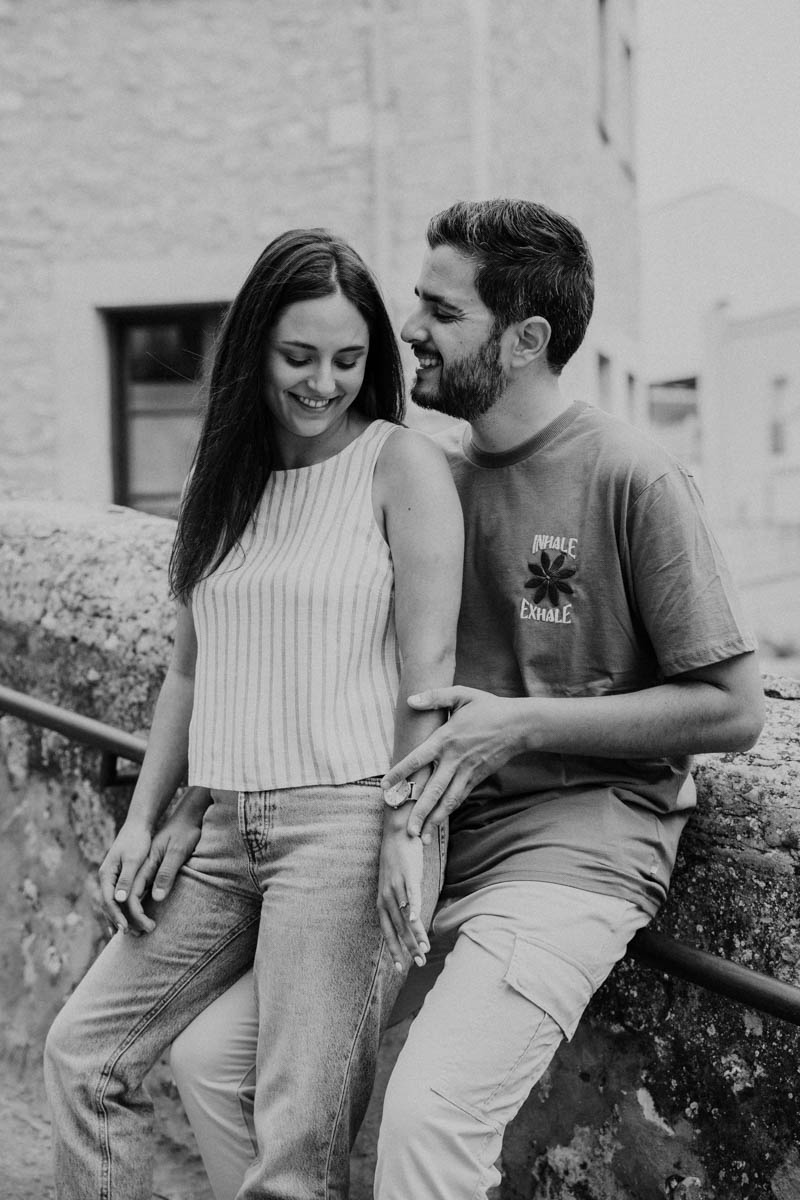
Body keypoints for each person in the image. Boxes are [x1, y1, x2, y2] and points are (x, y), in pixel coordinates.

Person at [147, 199, 766, 1200]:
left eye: (441, 311)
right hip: (429, 849)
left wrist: (520, 723)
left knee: (427, 1120)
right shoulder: (419, 470)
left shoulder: (631, 473)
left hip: (575, 853)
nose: (409, 332)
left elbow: (735, 709)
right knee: (211, 1060)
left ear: (524, 340)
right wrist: (186, 803)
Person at [43, 228, 464, 1200]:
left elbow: (425, 668)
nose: (322, 382)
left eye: (347, 360)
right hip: (224, 827)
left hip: (349, 827)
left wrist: (407, 828)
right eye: (297, 357)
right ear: (252, 352)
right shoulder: (222, 480)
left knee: (293, 1148)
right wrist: (148, 816)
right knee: (84, 1055)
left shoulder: (399, 466)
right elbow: (190, 669)